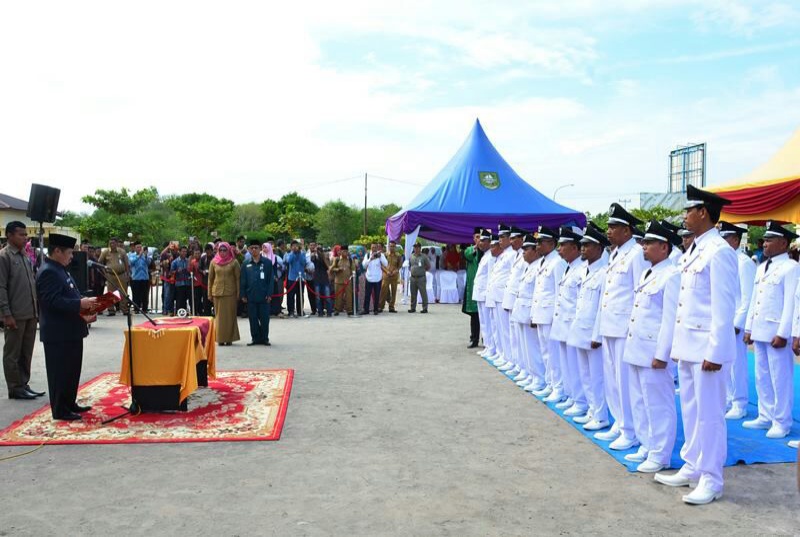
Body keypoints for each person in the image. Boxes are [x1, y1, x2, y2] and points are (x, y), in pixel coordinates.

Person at [654, 185, 738, 506]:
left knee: (710, 415)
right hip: (688, 346)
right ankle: (692, 465)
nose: (684, 216)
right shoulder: (694, 250)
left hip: (707, 350)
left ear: (703, 212)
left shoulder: (719, 251)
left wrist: (716, 352)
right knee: (690, 409)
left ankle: (711, 478)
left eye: (688, 210)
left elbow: (723, 306)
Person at [622, 220, 680, 473]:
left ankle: (661, 454)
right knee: (639, 400)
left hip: (653, 351)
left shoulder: (672, 274)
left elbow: (670, 319)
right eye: (643, 242)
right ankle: (647, 444)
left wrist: (662, 354)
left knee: (658, 404)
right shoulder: (650, 272)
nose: (643, 247)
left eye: (649, 243)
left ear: (664, 247)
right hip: (637, 348)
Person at [593, 203, 650, 451]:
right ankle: (620, 422)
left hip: (625, 325)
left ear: (627, 230)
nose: (609, 231)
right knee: (612, 378)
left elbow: (640, 290)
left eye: (613, 226)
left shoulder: (636, 254)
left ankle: (630, 429)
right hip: (610, 324)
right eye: (609, 226)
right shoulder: (615, 254)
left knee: (624, 380)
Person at [743, 221, 799, 439]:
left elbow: (790, 303)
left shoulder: (791, 267)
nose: (764, 243)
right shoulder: (762, 267)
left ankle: (782, 421)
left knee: (780, 377)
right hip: (760, 328)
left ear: (783, 242)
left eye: (769, 240)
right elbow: (755, 300)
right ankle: (765, 414)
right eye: (764, 240)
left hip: (776, 330)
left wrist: (783, 333)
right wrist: (749, 327)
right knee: (762, 375)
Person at [36, 233, 98, 420]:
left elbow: (71, 295)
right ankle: (60, 409)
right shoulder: (48, 271)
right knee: (59, 373)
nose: (72, 256)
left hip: (70, 330)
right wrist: (81, 304)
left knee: (71, 370)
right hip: (58, 333)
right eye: (69, 252)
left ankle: (70, 403)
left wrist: (84, 313)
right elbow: (52, 301)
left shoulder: (60, 269)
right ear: (57, 251)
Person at [568, 224, 610, 432]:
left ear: (600, 248)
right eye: (582, 245)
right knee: (585, 374)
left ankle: (601, 415)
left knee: (597, 377)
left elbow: (602, 306)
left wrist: (597, 335)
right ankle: (593, 410)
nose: (583, 249)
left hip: (593, 333)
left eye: (588, 245)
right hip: (580, 329)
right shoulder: (584, 271)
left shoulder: (603, 272)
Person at [0, 221, 45, 400]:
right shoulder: (4, 256)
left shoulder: (25, 255)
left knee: (26, 351)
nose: (25, 237)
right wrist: (6, 314)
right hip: (15, 314)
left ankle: (23, 383)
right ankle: (15, 387)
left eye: (25, 234)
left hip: (30, 312)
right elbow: (1, 287)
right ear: (9, 235)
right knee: (12, 353)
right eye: (21, 234)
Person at [718, 221, 756, 420]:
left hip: (736, 324)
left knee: (737, 364)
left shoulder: (744, 263)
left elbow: (747, 297)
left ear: (735, 239)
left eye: (725, 238)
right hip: (725, 321)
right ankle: (727, 398)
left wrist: (738, 323)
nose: (722, 241)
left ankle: (739, 403)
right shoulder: (727, 260)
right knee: (724, 363)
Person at [549, 226, 587, 416]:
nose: (559, 249)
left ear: (574, 247)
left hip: (573, 325)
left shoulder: (582, 269)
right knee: (567, 365)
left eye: (563, 245)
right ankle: (573, 397)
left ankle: (580, 401)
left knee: (576, 367)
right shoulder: (569, 267)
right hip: (562, 324)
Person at [509, 233, 540, 387]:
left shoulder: (538, 267)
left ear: (535, 251)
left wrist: (534, 314)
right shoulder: (530, 267)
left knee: (533, 348)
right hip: (521, 311)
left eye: (526, 249)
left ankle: (539, 378)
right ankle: (530, 373)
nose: (523, 253)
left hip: (530, 313)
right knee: (525, 346)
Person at [498, 227, 527, 376]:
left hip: (518, 300)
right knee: (512, 334)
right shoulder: (516, 255)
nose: (511, 241)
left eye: (514, 238)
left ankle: (520, 364)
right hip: (510, 299)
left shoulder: (526, 255)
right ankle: (515, 362)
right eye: (511, 238)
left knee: (518, 336)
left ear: (522, 239)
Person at [486, 224, 515, 367]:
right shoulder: (503, 255)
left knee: (506, 331)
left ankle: (510, 359)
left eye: (503, 237)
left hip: (504, 296)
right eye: (501, 237)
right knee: (499, 328)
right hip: (497, 296)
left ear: (510, 239)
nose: (501, 240)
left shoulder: (513, 254)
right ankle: (502, 355)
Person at [240, 240, 274, 346]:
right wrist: (243, 294)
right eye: (252, 248)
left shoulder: (267, 263)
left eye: (256, 248)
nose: (254, 250)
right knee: (253, 319)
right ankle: (255, 338)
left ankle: (264, 338)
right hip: (251, 296)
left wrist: (269, 294)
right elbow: (243, 280)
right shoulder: (246, 264)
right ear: (249, 249)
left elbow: (270, 280)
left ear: (260, 249)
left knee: (264, 319)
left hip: (264, 296)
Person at [208, 242, 241, 346]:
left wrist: (239, 293)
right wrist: (209, 293)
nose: (222, 252)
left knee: (230, 316)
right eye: (220, 250)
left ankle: (229, 338)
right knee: (219, 317)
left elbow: (238, 279)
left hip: (230, 292)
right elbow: (210, 279)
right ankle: (220, 339)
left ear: (228, 250)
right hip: (217, 293)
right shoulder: (214, 262)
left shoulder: (234, 262)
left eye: (224, 250)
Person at [463, 229, 485, 348]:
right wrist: (476, 247)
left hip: (485, 288)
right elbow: (467, 255)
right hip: (474, 287)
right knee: (475, 315)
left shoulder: (488, 252)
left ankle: (486, 339)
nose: (479, 239)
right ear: (473, 238)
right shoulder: (470, 250)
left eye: (481, 237)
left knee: (486, 316)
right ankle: (474, 339)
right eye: (477, 236)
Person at [98, 237, 131, 315]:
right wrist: (104, 273)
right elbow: (99, 263)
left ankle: (125, 309)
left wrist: (128, 274)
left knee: (123, 292)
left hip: (121, 275)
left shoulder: (122, 252)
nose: (111, 244)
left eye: (113, 243)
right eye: (110, 243)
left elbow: (126, 264)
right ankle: (111, 310)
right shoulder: (105, 252)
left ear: (116, 243)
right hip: (110, 275)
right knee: (110, 293)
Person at [283, 240, 307, 318]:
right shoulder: (288, 254)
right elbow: (289, 261)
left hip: (301, 277)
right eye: (293, 246)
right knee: (291, 295)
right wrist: (293, 252)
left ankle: (300, 310)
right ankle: (291, 311)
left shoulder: (302, 254)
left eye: (296, 246)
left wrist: (299, 252)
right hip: (292, 278)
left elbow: (304, 263)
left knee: (300, 295)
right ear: (291, 247)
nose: (295, 247)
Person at [362, 243, 388, 315]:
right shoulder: (367, 255)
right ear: (370, 247)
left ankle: (376, 310)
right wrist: (370, 259)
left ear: (377, 248)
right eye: (372, 247)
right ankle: (366, 310)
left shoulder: (381, 255)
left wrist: (381, 257)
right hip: (369, 278)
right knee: (367, 295)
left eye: (375, 247)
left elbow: (386, 264)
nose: (374, 249)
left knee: (377, 295)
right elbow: (364, 265)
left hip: (377, 278)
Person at [309, 243, 333, 317]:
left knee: (327, 296)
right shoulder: (314, 257)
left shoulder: (325, 258)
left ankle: (329, 312)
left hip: (325, 279)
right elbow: (312, 260)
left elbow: (328, 267)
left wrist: (323, 257)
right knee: (318, 297)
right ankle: (320, 312)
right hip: (317, 279)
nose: (319, 251)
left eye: (320, 249)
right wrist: (315, 254)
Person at [330, 245, 355, 316]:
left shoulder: (350, 260)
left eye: (346, 251)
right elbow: (331, 269)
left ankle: (349, 310)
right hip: (338, 281)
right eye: (344, 251)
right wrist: (338, 269)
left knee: (349, 296)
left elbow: (353, 270)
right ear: (340, 252)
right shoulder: (336, 259)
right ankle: (337, 310)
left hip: (348, 281)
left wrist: (353, 272)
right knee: (338, 296)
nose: (345, 253)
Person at [128, 241, 151, 313]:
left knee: (145, 294)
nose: (139, 248)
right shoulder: (131, 255)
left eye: (140, 247)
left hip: (145, 278)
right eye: (138, 247)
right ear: (134, 248)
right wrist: (139, 256)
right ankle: (136, 309)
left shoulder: (145, 255)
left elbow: (149, 263)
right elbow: (131, 263)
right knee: (136, 294)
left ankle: (144, 309)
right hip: (136, 278)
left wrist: (145, 256)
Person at [380, 241, 403, 313]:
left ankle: (391, 307)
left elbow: (399, 266)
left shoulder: (398, 256)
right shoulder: (385, 255)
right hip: (386, 275)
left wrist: (395, 271)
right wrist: (387, 271)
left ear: (395, 247)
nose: (392, 248)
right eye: (390, 246)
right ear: (388, 247)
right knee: (383, 291)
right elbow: (382, 265)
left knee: (394, 291)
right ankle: (381, 306)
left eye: (393, 246)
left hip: (394, 276)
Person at [408, 243, 431, 313]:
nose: (416, 249)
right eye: (415, 247)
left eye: (417, 247)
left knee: (423, 293)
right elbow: (410, 265)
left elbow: (428, 266)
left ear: (420, 248)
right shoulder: (411, 256)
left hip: (421, 278)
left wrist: (422, 271)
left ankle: (425, 308)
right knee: (413, 293)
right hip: (413, 278)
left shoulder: (424, 256)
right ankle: (413, 307)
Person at [171, 246, 191, 314]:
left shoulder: (188, 261)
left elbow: (191, 270)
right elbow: (171, 272)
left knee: (186, 299)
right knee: (179, 300)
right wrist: (177, 271)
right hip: (179, 284)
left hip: (187, 283)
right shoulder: (175, 262)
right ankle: (179, 313)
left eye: (185, 251)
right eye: (183, 251)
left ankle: (185, 312)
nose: (184, 253)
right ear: (179, 252)